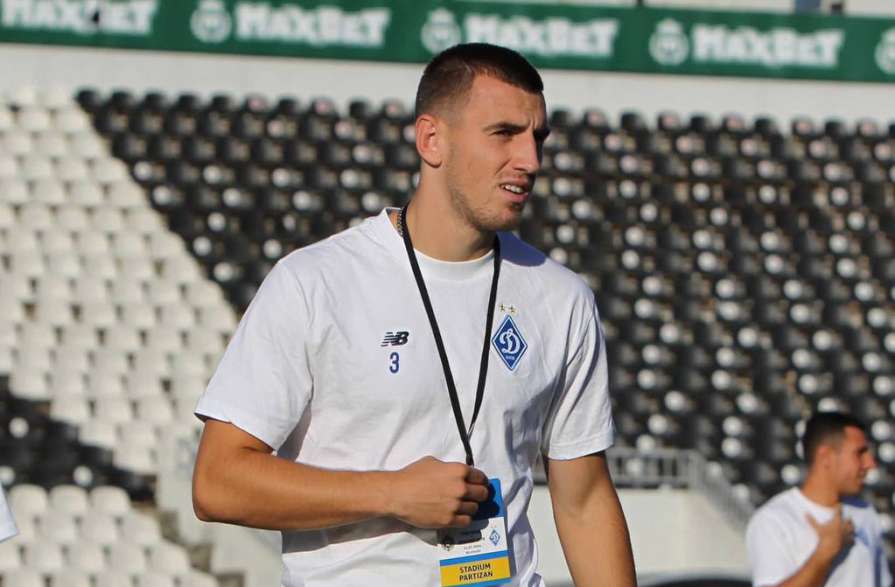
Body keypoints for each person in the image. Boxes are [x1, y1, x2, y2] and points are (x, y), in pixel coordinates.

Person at [192, 42, 636, 586]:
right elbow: (218, 483)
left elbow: (584, 500)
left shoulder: (562, 297)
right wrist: (391, 493)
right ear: (431, 140)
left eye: (537, 137)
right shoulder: (315, 282)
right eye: (503, 133)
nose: (530, 160)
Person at [746, 411, 891, 587]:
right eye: (859, 453)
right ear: (826, 456)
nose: (870, 464)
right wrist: (825, 552)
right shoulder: (774, 521)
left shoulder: (864, 513)